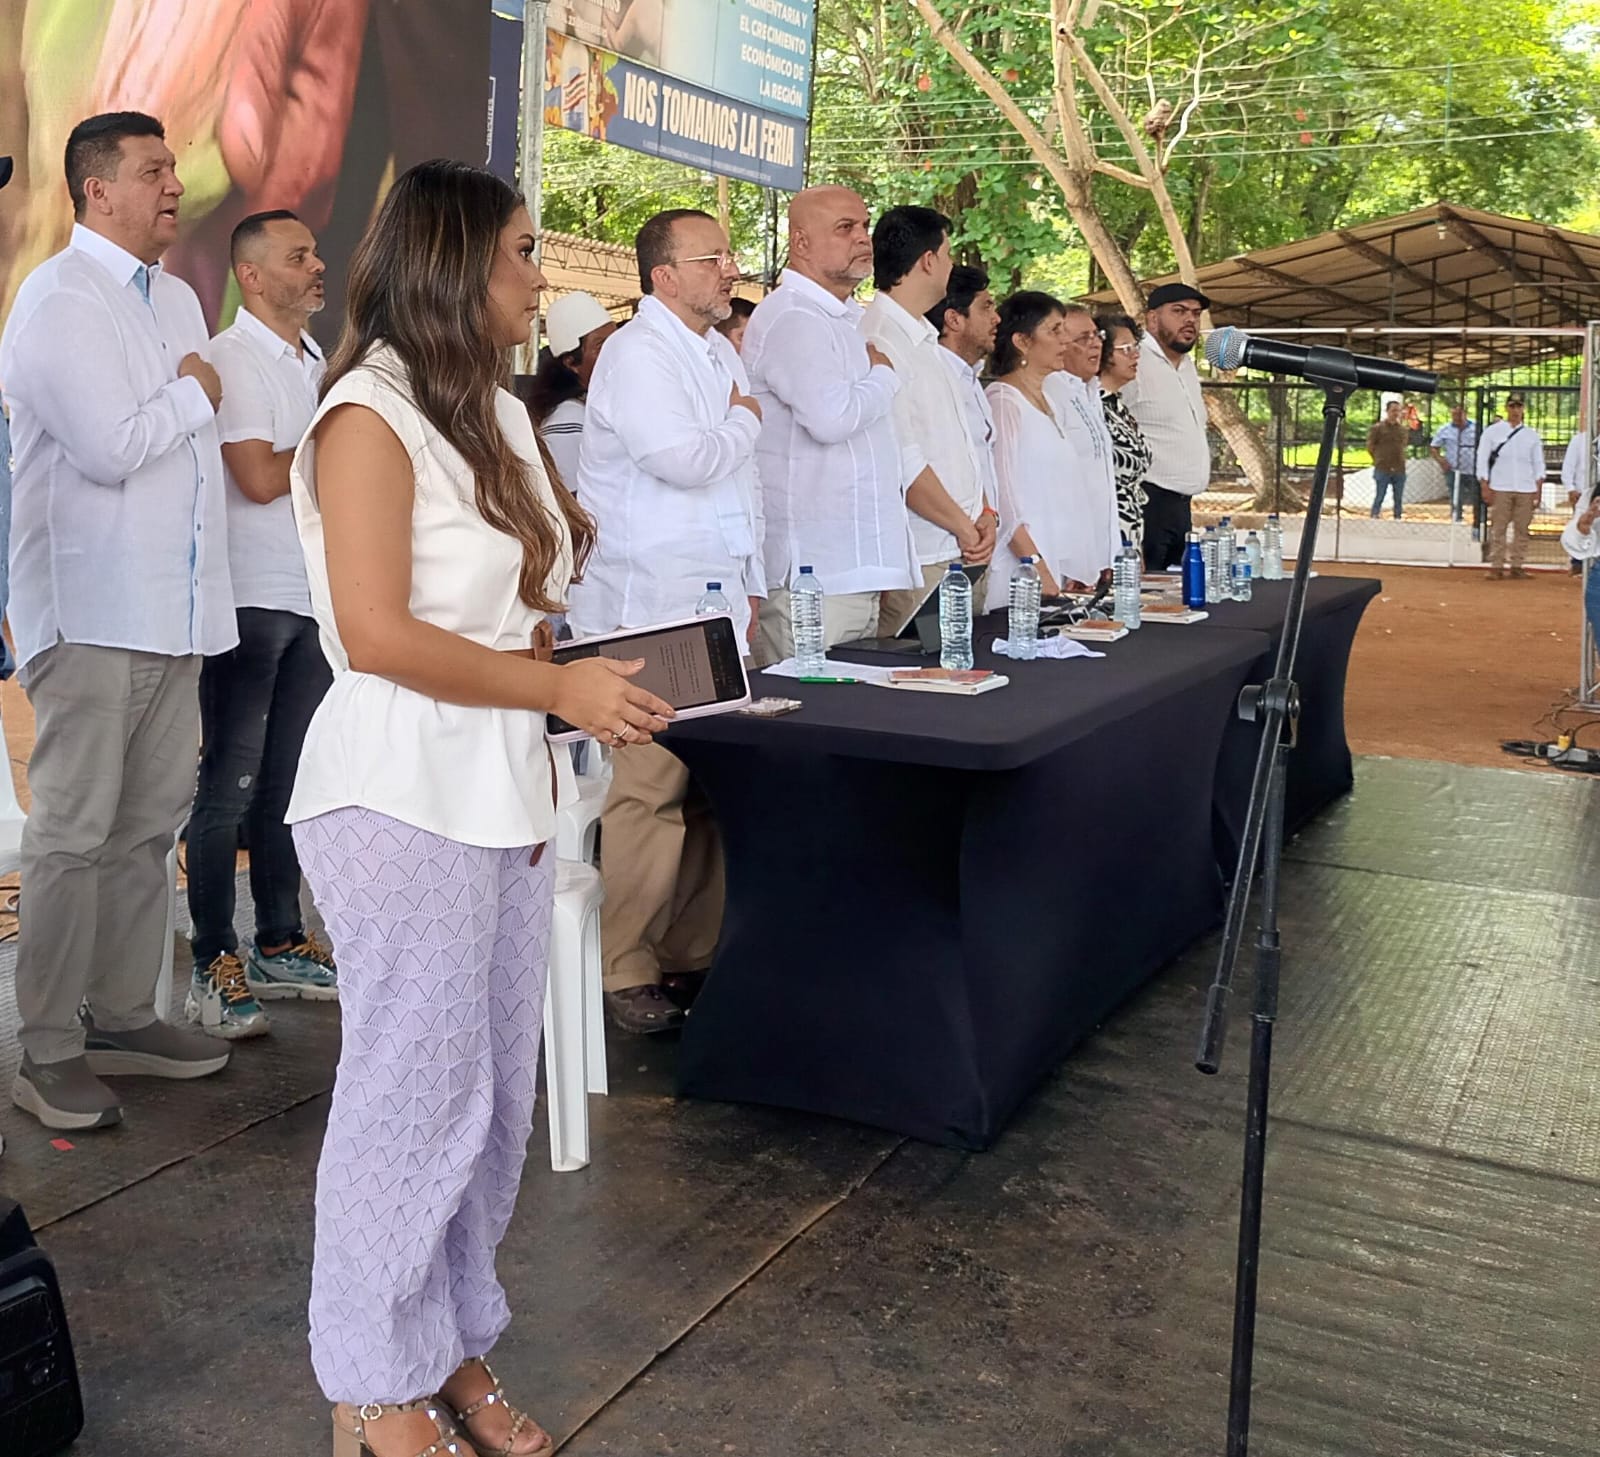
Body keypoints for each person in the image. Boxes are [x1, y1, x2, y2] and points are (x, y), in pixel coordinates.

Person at [288, 157, 673, 1457]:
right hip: (398, 792)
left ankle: (447, 1346)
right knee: (410, 1100)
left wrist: (568, 660)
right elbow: (377, 631)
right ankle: (373, 1390)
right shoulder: (366, 414)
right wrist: (556, 684)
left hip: (502, 787)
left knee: (491, 1102)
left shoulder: (493, 411)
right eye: (522, 251)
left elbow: (519, 599)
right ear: (455, 262)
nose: (541, 274)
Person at [0, 112, 236, 1133]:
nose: (173, 185)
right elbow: (110, 446)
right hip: (92, 607)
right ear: (97, 190)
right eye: (152, 171)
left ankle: (125, 1013)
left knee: (145, 831)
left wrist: (189, 397)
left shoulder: (179, 296)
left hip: (171, 612)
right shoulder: (58, 296)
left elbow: (188, 459)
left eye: (172, 168)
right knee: (72, 832)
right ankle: (46, 1044)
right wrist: (192, 395)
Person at [571, 208, 765, 1034]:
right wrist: (746, 416)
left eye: (729, 255)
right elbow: (685, 460)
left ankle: (688, 952)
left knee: (708, 791)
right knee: (648, 792)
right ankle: (622, 966)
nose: (730, 269)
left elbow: (734, 484)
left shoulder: (718, 351)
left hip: (719, 599)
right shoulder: (636, 352)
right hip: (650, 606)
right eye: (713, 257)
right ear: (664, 275)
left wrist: (752, 578)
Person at [181, 209, 339, 1044]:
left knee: (289, 786)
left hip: (315, 598)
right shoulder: (232, 358)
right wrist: (339, 453)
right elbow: (256, 475)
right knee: (229, 788)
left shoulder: (317, 357)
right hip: (252, 598)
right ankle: (214, 954)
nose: (318, 267)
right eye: (298, 256)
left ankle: (280, 938)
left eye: (314, 253)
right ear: (251, 274)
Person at [743, 185, 914, 664]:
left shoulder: (841, 317)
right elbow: (831, 418)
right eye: (845, 228)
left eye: (864, 226)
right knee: (811, 725)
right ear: (800, 243)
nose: (863, 238)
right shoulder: (793, 316)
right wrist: (884, 375)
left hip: (848, 568)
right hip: (813, 574)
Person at [861, 205, 996, 635]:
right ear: (929, 260)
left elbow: (960, 446)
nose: (952, 264)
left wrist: (984, 513)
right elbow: (902, 457)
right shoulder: (878, 336)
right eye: (949, 253)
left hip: (963, 546)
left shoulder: (924, 337)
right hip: (923, 554)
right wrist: (963, 525)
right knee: (925, 688)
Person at [983, 292, 1105, 607]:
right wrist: (1036, 566)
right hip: (1021, 573)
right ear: (1022, 341)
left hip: (1052, 564)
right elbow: (1004, 500)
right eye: (1054, 330)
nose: (1066, 340)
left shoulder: (1050, 399)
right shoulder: (1003, 401)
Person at [1123, 282, 1210, 569]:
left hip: (1181, 507)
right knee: (1148, 600)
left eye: (1196, 314)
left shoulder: (1186, 366)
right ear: (1152, 319)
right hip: (1149, 503)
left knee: (1175, 601)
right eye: (1179, 311)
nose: (1190, 320)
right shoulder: (1134, 361)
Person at [1044, 305, 1121, 580]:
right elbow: (1056, 486)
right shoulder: (1051, 391)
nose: (1096, 344)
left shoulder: (1090, 392)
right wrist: (1075, 563)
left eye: (1097, 335)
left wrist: (1113, 552)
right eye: (1083, 339)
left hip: (1100, 553)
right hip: (1069, 560)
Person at [929, 264, 1002, 549]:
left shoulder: (970, 378)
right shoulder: (933, 376)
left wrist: (987, 514)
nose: (996, 318)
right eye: (986, 307)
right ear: (954, 320)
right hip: (946, 545)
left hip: (977, 540)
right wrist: (965, 527)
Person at [524, 290, 616, 491]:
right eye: (601, 345)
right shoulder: (568, 418)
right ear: (572, 362)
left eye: (616, 340)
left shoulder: (591, 408)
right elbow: (575, 505)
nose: (616, 350)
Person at [1096, 312, 1153, 553]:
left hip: (1131, 529)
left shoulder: (1118, 406)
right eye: (1126, 349)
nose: (1135, 355)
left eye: (1136, 347)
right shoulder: (1092, 405)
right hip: (1104, 532)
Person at [1477, 393, 1545, 579]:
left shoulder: (1531, 435)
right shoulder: (1493, 432)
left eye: (1519, 406)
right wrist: (1484, 483)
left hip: (1526, 486)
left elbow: (1538, 463)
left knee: (1522, 529)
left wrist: (1538, 488)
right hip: (1500, 486)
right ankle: (1496, 565)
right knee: (1498, 527)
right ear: (1507, 408)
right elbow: (1482, 458)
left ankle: (1517, 565)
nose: (1516, 410)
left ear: (1523, 409)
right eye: (1512, 406)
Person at [1429, 403, 1480, 532]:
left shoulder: (1477, 428)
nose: (1456, 417)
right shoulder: (1445, 429)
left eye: (1458, 414)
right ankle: (1456, 521)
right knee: (1455, 496)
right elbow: (1434, 447)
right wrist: (1441, 461)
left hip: (1473, 469)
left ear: (1465, 413)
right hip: (1453, 470)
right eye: (1453, 414)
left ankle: (1478, 522)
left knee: (1477, 496)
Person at [1366, 399, 1409, 519]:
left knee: (1398, 496)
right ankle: (1375, 514)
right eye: (1393, 410)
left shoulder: (1402, 430)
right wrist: (1377, 459)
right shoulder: (1378, 428)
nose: (1395, 413)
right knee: (1380, 493)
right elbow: (1370, 446)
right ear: (1387, 411)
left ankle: (1397, 516)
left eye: (1398, 411)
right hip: (1382, 466)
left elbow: (1403, 445)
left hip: (1399, 466)